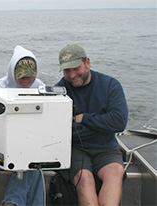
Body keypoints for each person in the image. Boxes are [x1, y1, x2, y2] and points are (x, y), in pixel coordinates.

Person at [55, 44, 128, 206]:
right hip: (75, 149)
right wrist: (101, 126)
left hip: (106, 147)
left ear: (87, 63)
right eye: (67, 71)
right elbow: (59, 131)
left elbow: (119, 122)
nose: (72, 75)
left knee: (115, 173)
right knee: (85, 179)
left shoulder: (111, 85)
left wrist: (84, 119)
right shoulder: (59, 90)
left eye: (76, 68)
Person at [0, 45, 45, 206]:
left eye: (29, 77)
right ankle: (13, 201)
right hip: (5, 143)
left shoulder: (40, 88)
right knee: (32, 166)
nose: (26, 81)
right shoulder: (0, 88)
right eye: (21, 77)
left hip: (33, 140)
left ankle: (12, 202)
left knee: (32, 163)